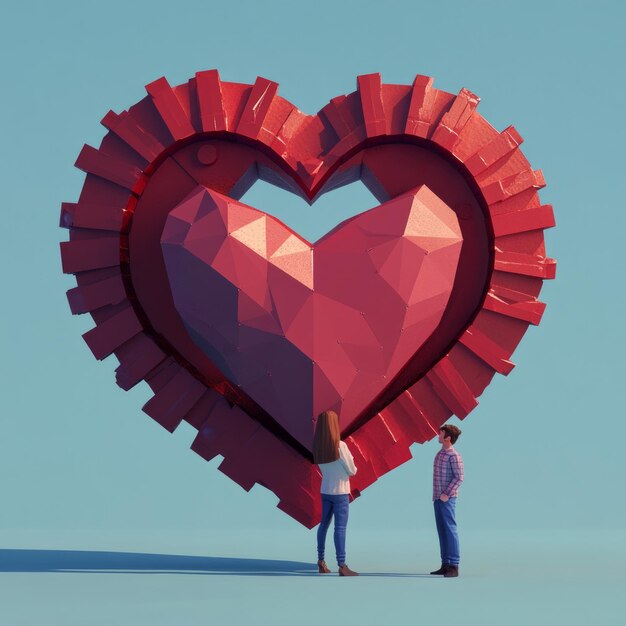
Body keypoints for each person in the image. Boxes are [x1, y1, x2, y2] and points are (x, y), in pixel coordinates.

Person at [313, 410, 358, 576]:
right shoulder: (340, 445)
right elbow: (352, 470)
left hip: (325, 490)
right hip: (340, 492)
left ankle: (321, 560)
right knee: (340, 527)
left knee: (323, 525)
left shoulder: (318, 446)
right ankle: (342, 564)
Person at [431, 424, 464, 578]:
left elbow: (459, 477)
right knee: (442, 530)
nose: (438, 436)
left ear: (448, 438)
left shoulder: (454, 456)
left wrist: (447, 493)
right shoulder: (440, 454)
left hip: (447, 499)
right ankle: (445, 563)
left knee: (450, 529)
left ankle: (454, 564)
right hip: (437, 498)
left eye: (441, 433)